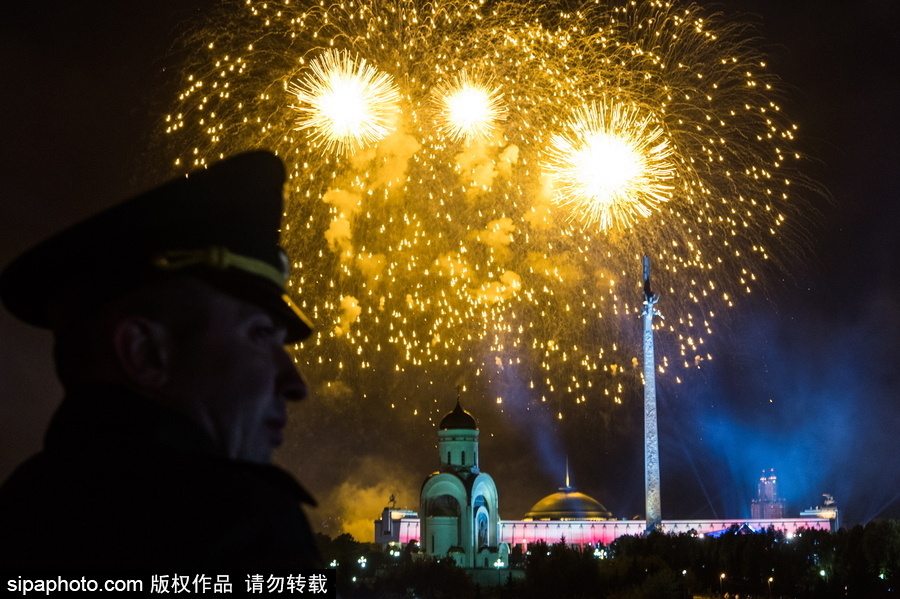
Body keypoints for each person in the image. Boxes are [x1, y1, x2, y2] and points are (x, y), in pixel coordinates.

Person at [0, 151, 321, 568]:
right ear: (145, 352)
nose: (295, 382)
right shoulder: (236, 525)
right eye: (259, 335)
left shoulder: (21, 511)